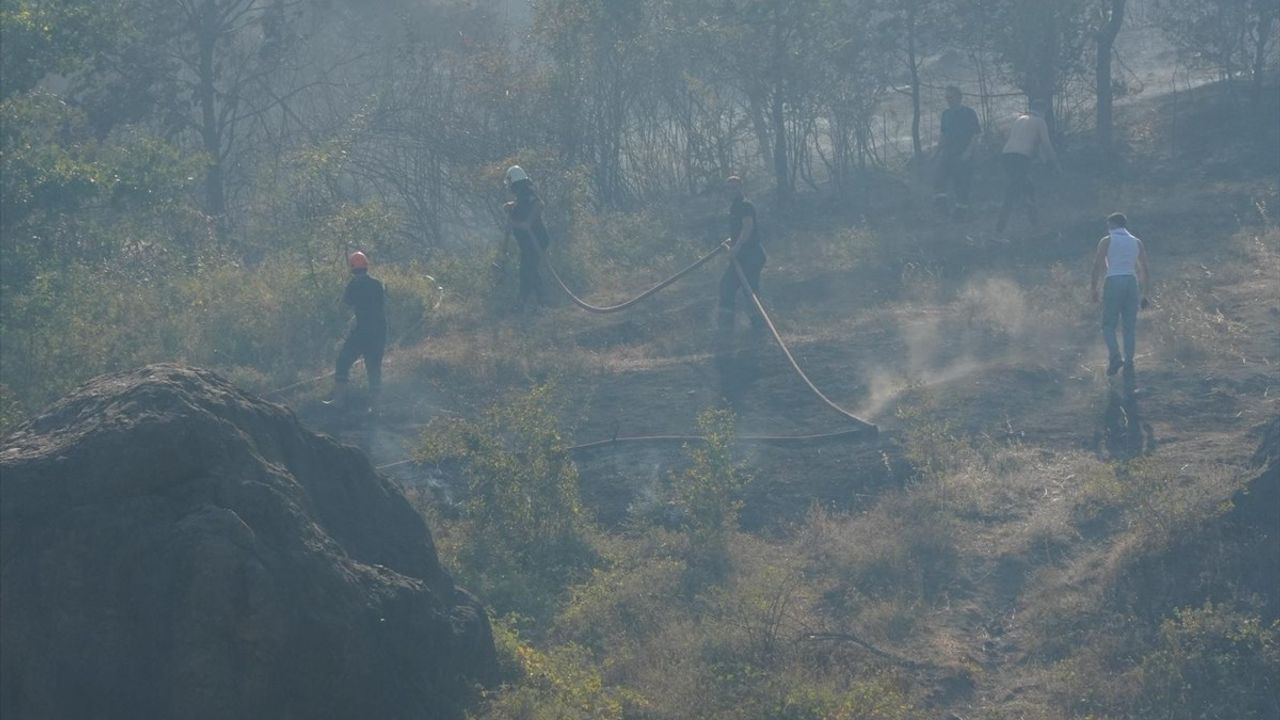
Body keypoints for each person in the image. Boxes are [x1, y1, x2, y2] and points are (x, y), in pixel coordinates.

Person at [1091, 213, 1150, 379]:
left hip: (1114, 280)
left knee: (1108, 324)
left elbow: (1097, 265)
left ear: (1112, 224)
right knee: (1129, 325)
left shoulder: (1107, 240)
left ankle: (1115, 356)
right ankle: (1129, 362)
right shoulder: (1136, 242)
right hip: (1131, 282)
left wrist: (1093, 288)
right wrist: (1145, 293)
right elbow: (1145, 269)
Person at [328, 251, 387, 412]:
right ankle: (376, 408)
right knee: (374, 368)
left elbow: (345, 306)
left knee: (343, 361)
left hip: (361, 331)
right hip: (379, 332)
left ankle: (338, 401)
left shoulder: (353, 285)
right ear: (366, 266)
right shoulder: (377, 284)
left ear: (352, 268)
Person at [996, 99, 1059, 233]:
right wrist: (1054, 164)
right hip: (1021, 158)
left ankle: (1033, 223)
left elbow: (1031, 144)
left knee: (1027, 187)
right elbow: (1046, 145)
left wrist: (1042, 159)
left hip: (1007, 156)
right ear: (1043, 110)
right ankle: (1000, 227)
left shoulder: (1020, 119)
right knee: (1012, 192)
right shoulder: (1039, 121)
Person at [718, 176, 767, 331]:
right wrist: (731, 242)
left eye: (734, 188)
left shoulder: (745, 205)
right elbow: (740, 231)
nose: (731, 191)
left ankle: (758, 326)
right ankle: (726, 327)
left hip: (752, 255)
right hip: (743, 256)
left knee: (749, 290)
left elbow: (748, 227)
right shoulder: (735, 206)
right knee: (727, 286)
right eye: (728, 188)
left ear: (740, 188)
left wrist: (737, 246)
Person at [500, 165, 551, 309]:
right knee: (528, 271)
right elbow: (523, 205)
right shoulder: (522, 195)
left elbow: (538, 204)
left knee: (528, 271)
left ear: (513, 182)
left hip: (535, 241)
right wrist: (511, 206)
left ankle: (531, 302)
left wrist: (526, 222)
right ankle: (535, 301)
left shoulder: (527, 193)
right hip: (529, 243)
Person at [934, 85, 981, 215]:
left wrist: (969, 152)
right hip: (948, 153)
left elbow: (976, 134)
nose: (948, 100)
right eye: (946, 98)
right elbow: (943, 134)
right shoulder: (946, 114)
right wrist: (937, 152)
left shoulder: (968, 113)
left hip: (963, 153)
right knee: (940, 179)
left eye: (951, 97)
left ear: (959, 97)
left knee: (961, 183)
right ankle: (942, 209)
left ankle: (962, 212)